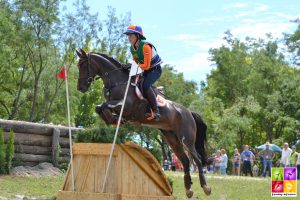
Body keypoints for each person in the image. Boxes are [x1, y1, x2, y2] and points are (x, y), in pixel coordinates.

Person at [123, 25, 163, 120]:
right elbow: (136, 62)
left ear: (137, 36)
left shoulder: (145, 46)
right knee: (136, 84)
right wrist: (128, 66)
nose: (129, 38)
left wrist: (133, 65)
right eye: (128, 36)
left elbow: (146, 66)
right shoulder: (132, 49)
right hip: (145, 70)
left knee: (145, 85)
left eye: (130, 36)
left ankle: (156, 111)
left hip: (155, 70)